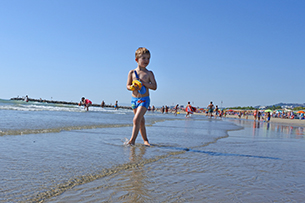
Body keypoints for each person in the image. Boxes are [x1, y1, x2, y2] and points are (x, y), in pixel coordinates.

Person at [126, 47, 157, 146]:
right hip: (134, 99)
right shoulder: (132, 73)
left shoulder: (149, 73)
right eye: (143, 58)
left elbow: (154, 86)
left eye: (148, 58)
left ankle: (132, 141)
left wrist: (144, 83)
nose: (146, 61)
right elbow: (127, 85)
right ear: (137, 59)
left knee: (136, 119)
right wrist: (132, 87)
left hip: (144, 100)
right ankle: (145, 140)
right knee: (141, 121)